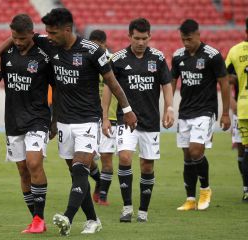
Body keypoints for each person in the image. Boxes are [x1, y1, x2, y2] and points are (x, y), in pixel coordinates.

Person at [0, 8, 137, 236]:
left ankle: (67, 217)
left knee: (80, 170)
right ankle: (93, 220)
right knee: (76, 174)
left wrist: (127, 109)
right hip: (64, 123)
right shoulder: (50, 43)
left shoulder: (92, 51)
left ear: (67, 30)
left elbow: (112, 82)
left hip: (88, 120)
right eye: (47, 32)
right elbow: (18, 36)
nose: (48, 36)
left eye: (53, 32)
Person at [0, 14, 55, 234]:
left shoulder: (44, 53)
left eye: (22, 38)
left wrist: (55, 118)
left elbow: (56, 87)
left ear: (32, 33)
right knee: (22, 170)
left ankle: (39, 219)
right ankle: (36, 219)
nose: (18, 42)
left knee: (34, 163)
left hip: (38, 118)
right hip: (13, 120)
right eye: (14, 38)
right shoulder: (5, 54)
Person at [102, 18, 174, 222]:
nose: (141, 42)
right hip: (126, 121)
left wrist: (169, 107)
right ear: (129, 36)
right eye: (136, 38)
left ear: (150, 36)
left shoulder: (158, 58)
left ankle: (143, 211)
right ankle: (126, 208)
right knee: (124, 158)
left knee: (147, 166)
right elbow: (108, 87)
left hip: (150, 121)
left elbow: (166, 84)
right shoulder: (118, 58)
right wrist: (105, 116)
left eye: (144, 38)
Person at [171, 19, 231, 211]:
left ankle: (205, 190)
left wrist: (225, 114)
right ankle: (190, 199)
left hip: (205, 111)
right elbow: (172, 82)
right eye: (183, 39)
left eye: (189, 39)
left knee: (196, 151)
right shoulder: (178, 56)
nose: (186, 43)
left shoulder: (212, 55)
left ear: (198, 34)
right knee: (187, 156)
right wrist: (168, 108)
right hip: (185, 111)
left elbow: (224, 83)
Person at [89, 29, 117, 205]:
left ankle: (103, 196)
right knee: (88, 158)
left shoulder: (113, 61)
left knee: (106, 158)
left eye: (98, 47)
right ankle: (99, 180)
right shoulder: (86, 60)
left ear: (105, 45)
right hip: (88, 115)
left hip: (110, 117)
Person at [225, 17, 248, 201]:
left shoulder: (235, 51)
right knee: (242, 149)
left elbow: (224, 79)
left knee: (243, 149)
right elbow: (225, 79)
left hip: (242, 107)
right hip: (241, 107)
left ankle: (246, 188)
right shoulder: (235, 51)